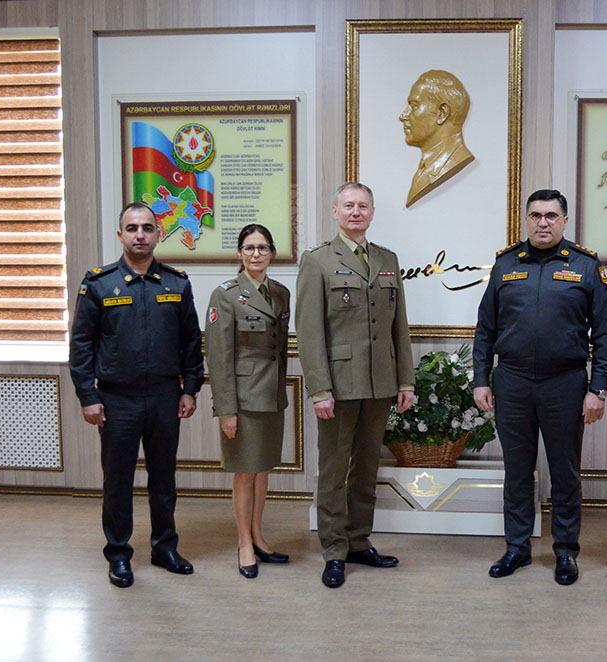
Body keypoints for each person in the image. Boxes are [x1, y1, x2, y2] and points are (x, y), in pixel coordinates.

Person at [473, 189, 607, 585]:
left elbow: (606, 334)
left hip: (565, 383)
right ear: (526, 219)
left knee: (565, 473)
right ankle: (517, 548)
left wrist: (597, 389)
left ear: (564, 221)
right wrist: (481, 379)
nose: (543, 222)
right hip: (513, 381)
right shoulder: (506, 263)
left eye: (551, 216)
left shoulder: (585, 265)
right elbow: (485, 329)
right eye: (536, 215)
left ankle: (565, 551)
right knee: (517, 471)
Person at [69, 201, 204, 588]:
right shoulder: (99, 283)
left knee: (164, 479)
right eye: (132, 228)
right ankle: (118, 554)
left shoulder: (176, 283)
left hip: (165, 397)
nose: (140, 235)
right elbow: (81, 346)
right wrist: (88, 396)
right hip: (117, 400)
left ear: (158, 234)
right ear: (120, 235)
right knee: (117, 481)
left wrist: (190, 389)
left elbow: (190, 342)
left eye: (147, 228)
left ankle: (164, 548)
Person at [295, 182, 416, 588]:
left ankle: (359, 541)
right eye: (348, 206)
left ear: (372, 212)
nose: (356, 212)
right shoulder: (317, 261)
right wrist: (319, 389)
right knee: (334, 472)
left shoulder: (387, 259)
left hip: (380, 383)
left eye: (363, 206)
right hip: (339, 385)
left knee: (366, 470)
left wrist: (405, 380)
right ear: (335, 212)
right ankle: (334, 549)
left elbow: (399, 325)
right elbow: (309, 332)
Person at [204, 224, 292, 579]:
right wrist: (226, 409)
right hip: (242, 400)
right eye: (250, 248)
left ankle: (258, 536)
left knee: (262, 469)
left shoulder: (281, 293)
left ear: (271, 253)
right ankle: (243, 543)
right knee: (244, 472)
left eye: (263, 248)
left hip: (271, 397)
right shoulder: (225, 295)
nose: (256, 254)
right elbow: (218, 357)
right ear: (240, 253)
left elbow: (280, 350)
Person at [399, 69, 475, 207]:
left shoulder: (449, 164)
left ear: (442, 113)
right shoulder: (425, 167)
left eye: (414, 106)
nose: (403, 116)